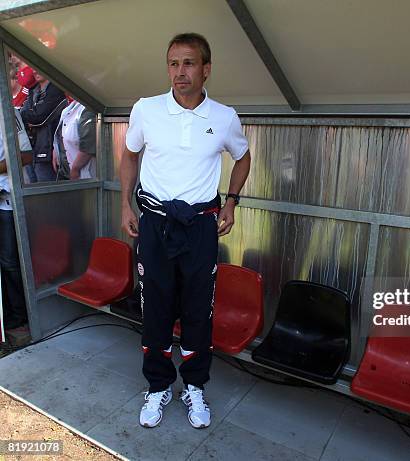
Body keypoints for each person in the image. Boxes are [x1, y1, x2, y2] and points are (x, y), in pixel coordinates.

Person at [120, 32, 251, 429]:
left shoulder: (224, 117)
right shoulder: (146, 109)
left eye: (189, 63)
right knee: (155, 306)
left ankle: (195, 385)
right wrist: (126, 202)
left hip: (200, 227)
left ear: (206, 69)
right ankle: (158, 386)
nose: (180, 72)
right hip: (155, 223)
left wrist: (231, 202)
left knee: (198, 309)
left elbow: (243, 159)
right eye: (174, 63)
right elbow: (129, 155)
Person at [0, 108, 33, 330]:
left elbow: (26, 155)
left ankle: (19, 315)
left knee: (11, 262)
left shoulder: (7, 112)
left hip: (8, 200)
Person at [20, 70, 66, 182]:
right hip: (33, 149)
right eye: (33, 68)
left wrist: (29, 116)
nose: (35, 71)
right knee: (33, 191)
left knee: (47, 192)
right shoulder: (33, 90)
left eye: (38, 67)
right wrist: (29, 116)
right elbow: (23, 114)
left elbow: (39, 117)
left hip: (48, 149)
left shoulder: (56, 89)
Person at [53, 100, 96, 180]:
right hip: (64, 171)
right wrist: (56, 150)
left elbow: (88, 146)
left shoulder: (88, 109)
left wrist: (75, 169)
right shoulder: (70, 106)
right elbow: (61, 134)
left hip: (81, 175)